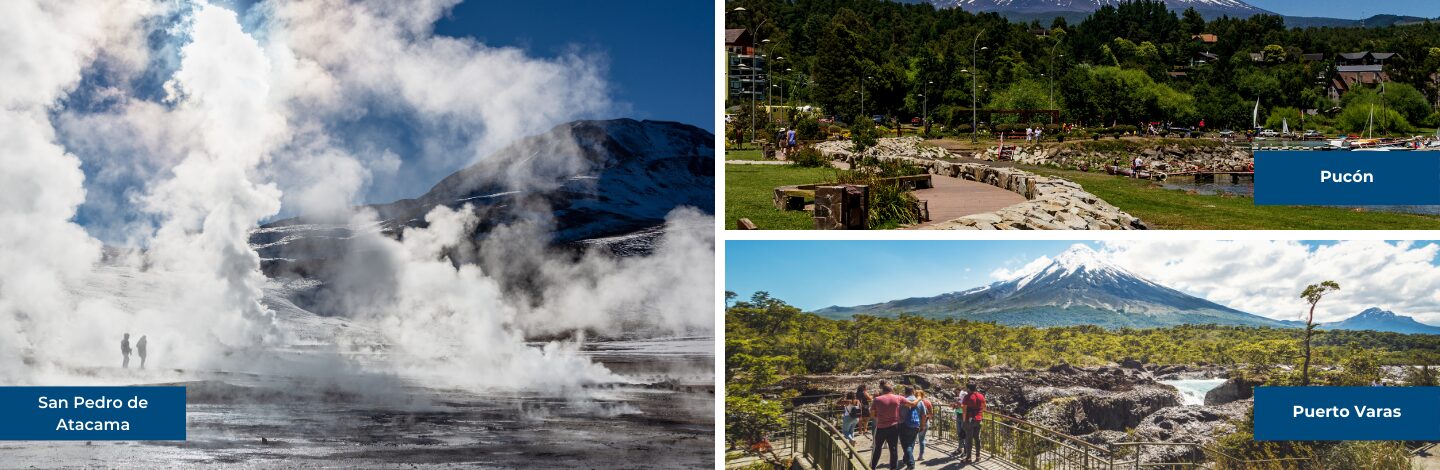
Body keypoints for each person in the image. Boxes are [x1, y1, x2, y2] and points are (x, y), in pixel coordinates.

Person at [869, 380, 904, 470]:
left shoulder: (877, 399)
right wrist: (919, 398)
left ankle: (873, 467)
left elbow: (872, 415)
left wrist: (879, 416)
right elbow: (911, 403)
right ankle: (893, 468)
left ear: (882, 391)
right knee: (893, 449)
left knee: (877, 448)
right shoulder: (897, 397)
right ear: (891, 390)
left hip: (881, 427)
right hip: (894, 427)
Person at [897, 386, 925, 470]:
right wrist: (922, 426)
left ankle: (911, 464)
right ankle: (906, 459)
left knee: (906, 445)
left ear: (905, 392)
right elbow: (924, 415)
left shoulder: (901, 401)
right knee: (911, 443)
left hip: (903, 425)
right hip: (915, 425)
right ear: (913, 391)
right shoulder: (920, 402)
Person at [960, 383, 986, 462]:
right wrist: (979, 413)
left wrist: (964, 421)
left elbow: (964, 410)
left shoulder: (967, 397)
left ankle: (968, 458)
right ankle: (978, 456)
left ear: (968, 389)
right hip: (978, 420)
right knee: (977, 438)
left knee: (969, 439)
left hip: (969, 420)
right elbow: (984, 407)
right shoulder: (981, 396)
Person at [915, 389, 934, 460]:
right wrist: (925, 416)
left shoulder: (914, 402)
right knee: (922, 440)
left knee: (913, 440)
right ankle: (921, 455)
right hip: (925, 423)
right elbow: (931, 415)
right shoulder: (927, 402)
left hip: (915, 423)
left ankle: (909, 456)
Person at [952, 386, 970, 457]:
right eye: (956, 392)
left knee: (964, 433)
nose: (957, 393)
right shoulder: (958, 396)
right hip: (958, 414)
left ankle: (965, 451)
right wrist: (954, 405)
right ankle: (960, 448)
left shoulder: (964, 395)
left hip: (963, 415)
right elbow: (958, 406)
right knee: (959, 433)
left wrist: (958, 404)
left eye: (957, 392)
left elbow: (964, 407)